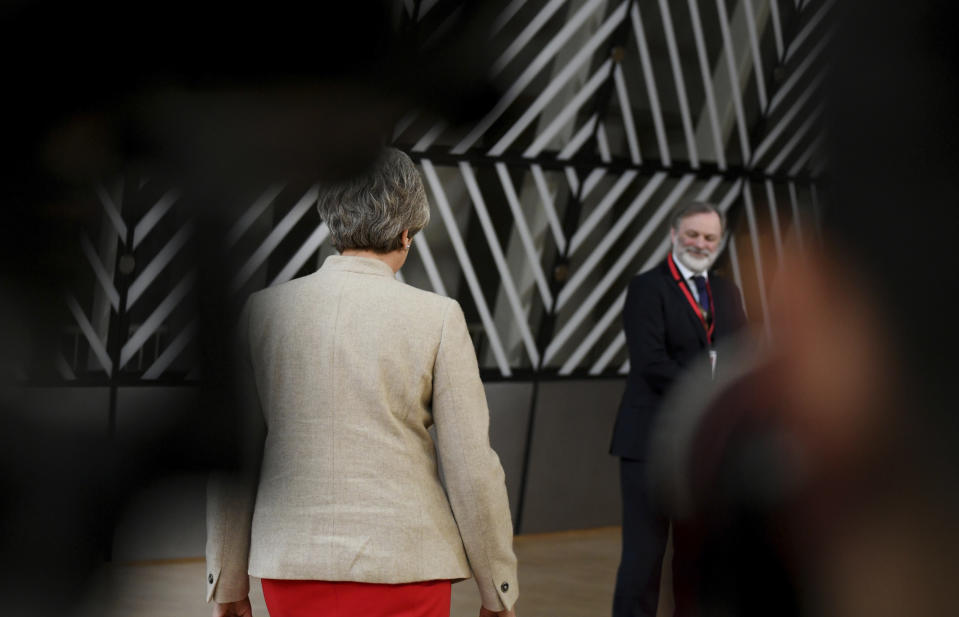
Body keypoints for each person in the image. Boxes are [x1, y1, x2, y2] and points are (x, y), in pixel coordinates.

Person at [205, 148, 518, 617]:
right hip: (409, 566)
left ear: (334, 223)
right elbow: (472, 468)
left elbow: (233, 462)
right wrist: (499, 588)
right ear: (407, 233)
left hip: (292, 566)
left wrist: (225, 582)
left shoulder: (262, 313)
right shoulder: (437, 318)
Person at [609, 201, 746, 617]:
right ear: (673, 235)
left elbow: (740, 355)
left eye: (709, 238)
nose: (700, 244)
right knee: (644, 557)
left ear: (719, 244)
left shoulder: (727, 292)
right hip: (648, 442)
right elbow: (651, 364)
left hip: (703, 447)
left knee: (695, 559)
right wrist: (711, 381)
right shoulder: (647, 288)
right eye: (692, 234)